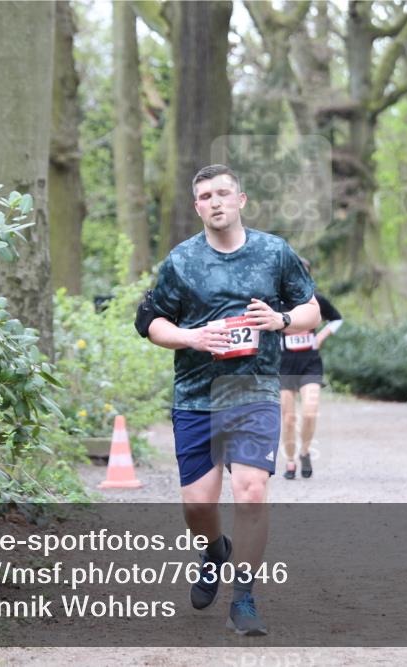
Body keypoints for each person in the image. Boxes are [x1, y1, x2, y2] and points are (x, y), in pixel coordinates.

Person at [146, 164, 320, 636]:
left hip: (254, 390)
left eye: (224, 192)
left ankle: (243, 598)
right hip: (196, 395)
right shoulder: (181, 261)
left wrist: (281, 320)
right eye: (206, 196)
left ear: (241, 200)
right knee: (197, 506)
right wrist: (190, 337)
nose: (215, 201)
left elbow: (312, 310)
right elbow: (150, 323)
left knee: (251, 491)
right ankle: (214, 549)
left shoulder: (274, 253)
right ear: (197, 206)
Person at [279, 257, 343, 479]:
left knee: (309, 411)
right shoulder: (277, 302)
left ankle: (304, 452)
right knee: (288, 418)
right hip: (285, 365)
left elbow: (337, 320)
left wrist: (322, 336)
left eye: (304, 274)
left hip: (310, 364)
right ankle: (289, 460)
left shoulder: (316, 301)